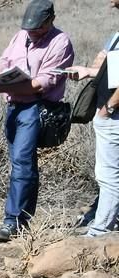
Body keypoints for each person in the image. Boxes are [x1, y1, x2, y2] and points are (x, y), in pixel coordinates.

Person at [0, 0, 74, 241]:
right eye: (29, 29)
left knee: (23, 162)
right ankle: (20, 219)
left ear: (50, 20)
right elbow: (3, 61)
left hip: (36, 108)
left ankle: (14, 221)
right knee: (21, 163)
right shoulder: (20, 35)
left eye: (38, 29)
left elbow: (41, 84)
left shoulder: (60, 42)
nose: (32, 33)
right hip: (13, 107)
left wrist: (2, 86)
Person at [67, 7, 119, 237]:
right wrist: (88, 71)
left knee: (108, 177)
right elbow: (112, 70)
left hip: (113, 115)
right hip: (111, 114)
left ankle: (100, 231)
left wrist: (109, 108)